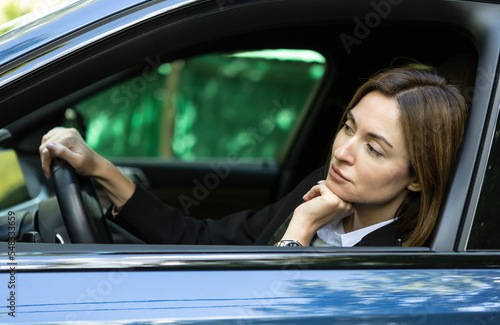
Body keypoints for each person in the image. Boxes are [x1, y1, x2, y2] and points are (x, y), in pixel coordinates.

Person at [39, 67, 468, 247]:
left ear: (417, 177)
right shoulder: (325, 186)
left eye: (374, 148)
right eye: (348, 127)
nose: (342, 152)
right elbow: (204, 242)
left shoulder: (403, 266)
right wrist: (98, 168)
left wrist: (299, 232)